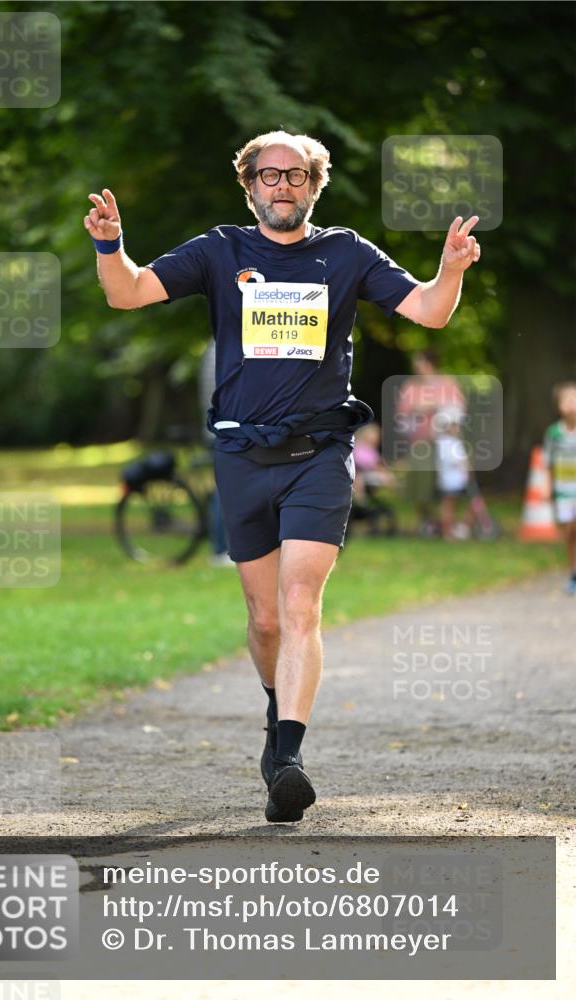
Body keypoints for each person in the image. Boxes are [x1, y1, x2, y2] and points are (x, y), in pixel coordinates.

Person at [83, 129, 481, 823]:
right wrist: (110, 246)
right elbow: (128, 294)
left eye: (295, 176)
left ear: (313, 185)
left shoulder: (346, 252)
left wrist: (448, 269)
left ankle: (289, 758)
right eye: (268, 176)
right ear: (249, 186)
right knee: (264, 619)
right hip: (241, 456)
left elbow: (427, 309)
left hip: (319, 454)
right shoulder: (219, 251)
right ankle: (277, 715)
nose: (281, 187)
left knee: (300, 604)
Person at [395, 349, 465, 532]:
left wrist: (434, 406)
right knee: (421, 483)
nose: (416, 366)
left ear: (430, 363)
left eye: (419, 362)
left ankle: (446, 523)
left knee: (448, 484)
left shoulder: (447, 383)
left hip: (444, 442)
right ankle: (425, 521)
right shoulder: (410, 386)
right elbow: (402, 417)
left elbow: (457, 410)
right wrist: (418, 411)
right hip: (420, 442)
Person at [198, 339, 234, 567]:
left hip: (217, 428)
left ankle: (222, 548)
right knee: (224, 491)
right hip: (224, 429)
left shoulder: (212, 348)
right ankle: (221, 548)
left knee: (223, 489)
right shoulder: (223, 349)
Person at [543, 381, 576, 594]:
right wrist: (548, 488)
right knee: (569, 533)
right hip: (563, 489)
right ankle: (573, 572)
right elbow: (548, 463)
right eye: (568, 400)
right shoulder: (553, 433)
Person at [434, 407, 473, 540]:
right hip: (449, 480)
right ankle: (447, 532)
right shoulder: (444, 442)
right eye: (454, 425)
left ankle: (456, 530)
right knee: (448, 506)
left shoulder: (454, 442)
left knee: (456, 505)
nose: (457, 428)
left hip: (458, 479)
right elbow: (451, 460)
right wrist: (463, 463)